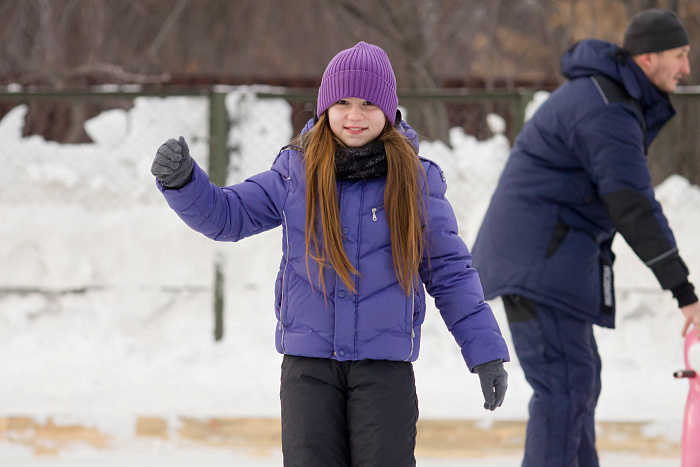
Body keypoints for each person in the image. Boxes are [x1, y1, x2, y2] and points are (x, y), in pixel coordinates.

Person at [151, 41, 509, 466]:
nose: (354, 116)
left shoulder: (415, 182)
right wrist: (185, 184)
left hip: (383, 371)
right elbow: (229, 216)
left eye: (367, 104)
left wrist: (484, 351)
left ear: (390, 112)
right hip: (309, 370)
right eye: (342, 102)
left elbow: (450, 272)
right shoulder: (294, 173)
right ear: (324, 108)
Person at [471, 8, 700, 467]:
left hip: (546, 259)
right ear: (648, 58)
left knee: (578, 383)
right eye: (680, 55)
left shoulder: (604, 96)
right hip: (539, 262)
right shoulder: (607, 109)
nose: (687, 68)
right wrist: (684, 291)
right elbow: (633, 206)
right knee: (565, 389)